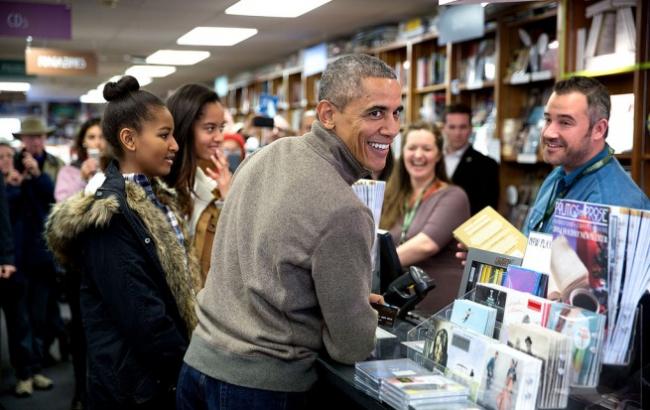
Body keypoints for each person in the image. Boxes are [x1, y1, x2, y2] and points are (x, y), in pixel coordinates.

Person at [177, 54, 399, 410]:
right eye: (375, 112)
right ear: (327, 115)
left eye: (396, 112)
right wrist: (354, 312)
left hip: (198, 365)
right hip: (262, 387)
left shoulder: (263, 156)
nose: (391, 127)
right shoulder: (345, 210)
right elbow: (352, 345)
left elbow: (265, 269)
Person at [46, 75, 198, 410]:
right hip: (136, 387)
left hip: (157, 380)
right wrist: (188, 371)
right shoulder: (110, 214)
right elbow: (143, 315)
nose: (174, 144)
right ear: (129, 139)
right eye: (164, 135)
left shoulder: (155, 197)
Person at [523, 76, 650, 235]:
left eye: (565, 122)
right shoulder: (559, 175)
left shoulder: (611, 206)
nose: (548, 133)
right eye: (548, 119)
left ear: (599, 129)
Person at [381, 122, 470, 315]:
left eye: (427, 149)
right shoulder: (392, 195)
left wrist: (373, 265)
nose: (418, 155)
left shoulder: (454, 196)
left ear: (438, 155)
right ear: (402, 152)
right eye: (412, 148)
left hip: (438, 307)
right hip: (401, 302)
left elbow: (426, 245)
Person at [0, 142, 54, 397]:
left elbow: (50, 199)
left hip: (39, 261)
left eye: (9, 156)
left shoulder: (32, 180)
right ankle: (23, 374)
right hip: (14, 265)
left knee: (39, 319)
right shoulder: (6, 189)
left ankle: (36, 369)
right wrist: (10, 188)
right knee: (19, 322)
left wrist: (35, 176)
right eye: (0, 157)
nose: (6, 161)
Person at [164, 84, 233, 285]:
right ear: (185, 128)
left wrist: (229, 196)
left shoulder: (212, 180)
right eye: (210, 128)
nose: (219, 138)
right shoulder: (163, 183)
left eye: (221, 128)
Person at [442, 103, 499, 215]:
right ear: (444, 128)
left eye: (462, 127)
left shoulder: (487, 165)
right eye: (452, 127)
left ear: (471, 129)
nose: (457, 133)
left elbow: (487, 212)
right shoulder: (432, 159)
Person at [55, 117, 106, 202]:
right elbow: (62, 203)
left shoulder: (118, 167)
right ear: (83, 142)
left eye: (102, 137)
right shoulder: (68, 172)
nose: (97, 142)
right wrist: (82, 179)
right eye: (91, 137)